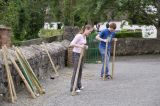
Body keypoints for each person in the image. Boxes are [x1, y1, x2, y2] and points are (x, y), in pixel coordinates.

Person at [69, 25, 93, 93]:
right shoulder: (79, 36)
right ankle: (73, 87)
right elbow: (71, 44)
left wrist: (85, 46)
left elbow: (82, 45)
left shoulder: (84, 37)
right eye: (90, 31)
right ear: (86, 29)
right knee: (76, 70)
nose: (90, 33)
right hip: (76, 54)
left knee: (80, 70)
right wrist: (81, 46)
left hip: (81, 54)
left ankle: (79, 85)